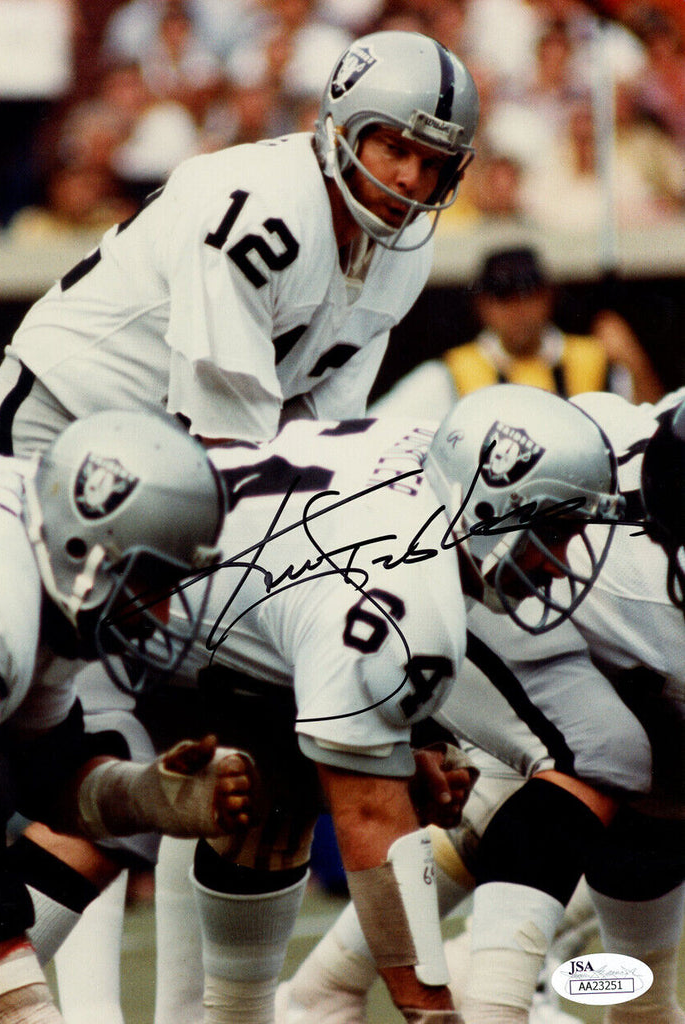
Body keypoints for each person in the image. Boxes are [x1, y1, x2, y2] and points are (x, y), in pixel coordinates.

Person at [144, 384, 622, 1024]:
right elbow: (370, 821)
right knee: (77, 835)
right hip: (117, 617)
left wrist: (410, 751)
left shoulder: (431, 460)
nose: (561, 565)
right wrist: (433, 1011)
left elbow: (323, 626)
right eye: (554, 532)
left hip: (201, 607)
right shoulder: (408, 600)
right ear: (493, 501)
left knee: (278, 792)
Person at [275, 389, 685, 1024]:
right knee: (604, 758)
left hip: (546, 541)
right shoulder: (641, 586)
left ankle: (328, 985)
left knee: (616, 775)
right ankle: (502, 1000)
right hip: (484, 571)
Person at [0, 407, 258, 1024]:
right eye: (152, 582)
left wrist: (146, 797)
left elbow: (45, 766)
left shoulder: (34, 550)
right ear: (86, 548)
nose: (162, 615)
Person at [0, 29, 479, 454]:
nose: (412, 180)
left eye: (434, 163)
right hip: (59, 419)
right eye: (394, 148)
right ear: (340, 132)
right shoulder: (264, 208)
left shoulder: (407, 249)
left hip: (161, 457)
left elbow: (322, 437)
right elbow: (228, 441)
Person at [373, 245, 664, 422]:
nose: (518, 311)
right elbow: (377, 428)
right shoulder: (450, 373)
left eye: (527, 295)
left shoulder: (594, 358)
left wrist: (634, 361)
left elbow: (654, 431)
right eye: (504, 298)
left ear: (548, 297)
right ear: (483, 306)